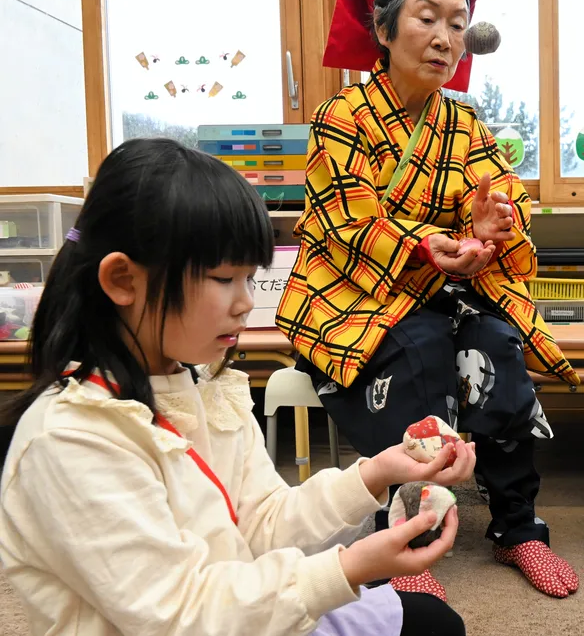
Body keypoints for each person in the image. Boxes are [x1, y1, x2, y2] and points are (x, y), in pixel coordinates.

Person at [0, 138, 472, 636]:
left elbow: (262, 520)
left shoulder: (203, 385)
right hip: (202, 621)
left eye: (250, 278)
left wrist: (377, 472)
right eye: (225, 277)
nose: (246, 302)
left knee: (433, 623)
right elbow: (177, 613)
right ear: (123, 280)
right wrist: (350, 568)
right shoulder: (72, 439)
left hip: (237, 606)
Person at [277, 0, 580, 600]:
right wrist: (423, 244)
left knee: (496, 345)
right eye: (427, 18)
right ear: (383, 29)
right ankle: (410, 541)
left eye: (458, 23)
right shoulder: (343, 114)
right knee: (418, 352)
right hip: (353, 294)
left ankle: (517, 526)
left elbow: (505, 199)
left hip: (443, 291)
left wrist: (490, 226)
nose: (445, 37)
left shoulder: (463, 123)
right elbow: (343, 214)